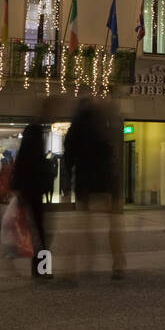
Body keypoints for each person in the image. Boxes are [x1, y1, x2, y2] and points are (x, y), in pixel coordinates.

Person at [64, 99, 127, 279]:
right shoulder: (105, 125)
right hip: (108, 182)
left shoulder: (76, 128)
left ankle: (82, 264)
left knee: (83, 226)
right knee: (114, 225)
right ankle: (118, 265)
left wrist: (69, 183)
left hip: (85, 183)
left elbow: (69, 157)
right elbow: (112, 155)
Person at [11, 123, 52, 279]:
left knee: (35, 233)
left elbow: (18, 173)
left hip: (27, 194)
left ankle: (39, 269)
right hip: (35, 195)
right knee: (39, 233)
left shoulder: (25, 153)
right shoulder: (37, 154)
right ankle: (42, 269)